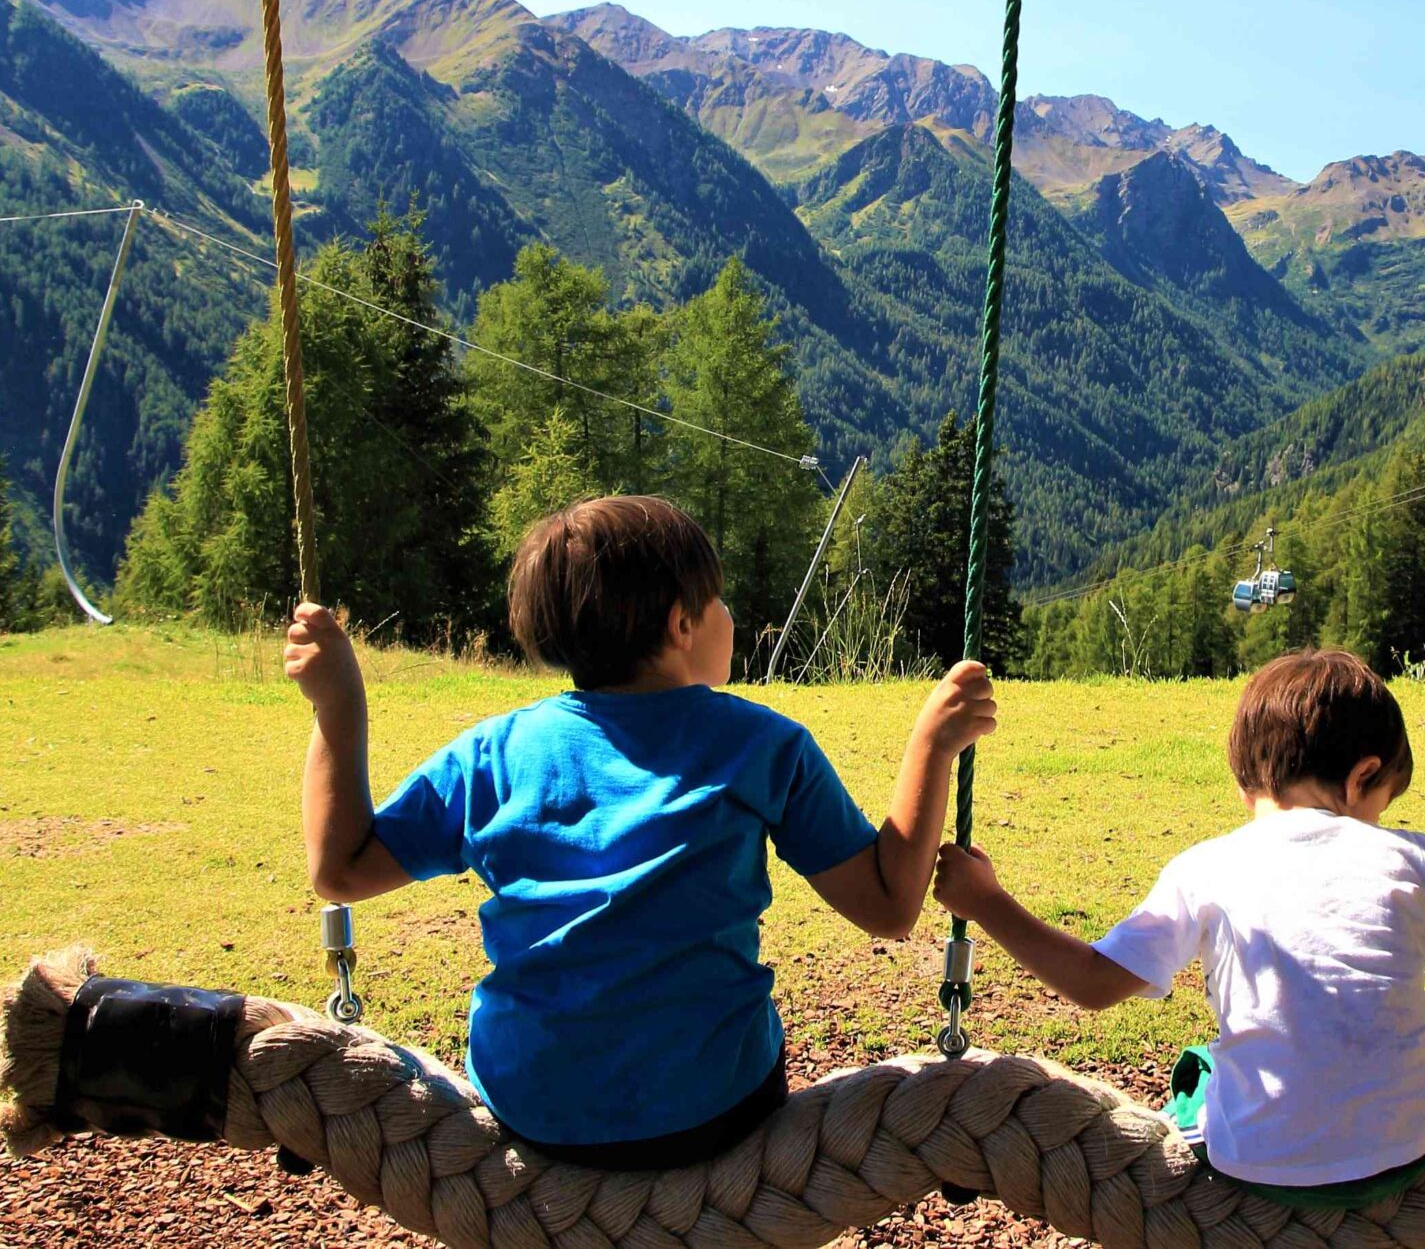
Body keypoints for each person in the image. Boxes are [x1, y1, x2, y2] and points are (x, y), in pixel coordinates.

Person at [285, 493, 996, 1168]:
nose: (728, 614)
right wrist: (932, 747)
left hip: (532, 1105)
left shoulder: (492, 755)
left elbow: (340, 871)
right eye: (715, 600)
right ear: (680, 626)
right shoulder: (763, 745)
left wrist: (338, 705)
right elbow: (888, 906)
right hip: (713, 1106)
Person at [931, 648, 1425, 1204]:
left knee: (1198, 1081)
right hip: (1411, 1148)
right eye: (1382, 802)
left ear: (1244, 786)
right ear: (1363, 777)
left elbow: (1092, 982)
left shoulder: (1205, 867)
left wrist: (986, 901)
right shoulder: (1407, 854)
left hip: (1258, 1164)